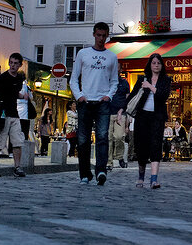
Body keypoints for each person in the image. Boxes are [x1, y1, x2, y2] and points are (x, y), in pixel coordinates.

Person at [69, 21, 119, 186]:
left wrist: (109, 96)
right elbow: (74, 78)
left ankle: (101, 171)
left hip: (102, 102)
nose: (101, 38)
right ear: (94, 34)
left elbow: (114, 81)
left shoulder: (112, 56)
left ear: (107, 36)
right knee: (83, 139)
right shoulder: (83, 54)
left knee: (102, 137)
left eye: (104, 36)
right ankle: (84, 174)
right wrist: (79, 96)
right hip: (85, 101)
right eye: (98, 35)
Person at [129, 53, 171, 189]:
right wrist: (121, 110)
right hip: (142, 116)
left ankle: (154, 179)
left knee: (155, 146)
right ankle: (141, 178)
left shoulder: (165, 80)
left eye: (158, 63)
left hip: (157, 117)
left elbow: (163, 95)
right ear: (150, 64)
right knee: (141, 147)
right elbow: (133, 95)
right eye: (154, 63)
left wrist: (151, 86)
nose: (156, 65)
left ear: (161, 65)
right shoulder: (142, 78)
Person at [0, 52, 26, 177]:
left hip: (14, 114)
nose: (12, 66)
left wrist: (23, 96)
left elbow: (14, 93)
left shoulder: (19, 78)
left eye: (15, 63)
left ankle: (17, 167)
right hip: (1, 114)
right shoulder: (2, 78)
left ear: (20, 65)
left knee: (17, 142)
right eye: (11, 63)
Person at [108, 69, 131, 170]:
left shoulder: (124, 83)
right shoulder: (106, 82)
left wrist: (122, 111)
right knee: (108, 138)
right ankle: (109, 161)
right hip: (108, 113)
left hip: (120, 113)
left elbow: (128, 99)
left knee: (119, 137)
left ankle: (119, 156)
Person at [16, 71, 33, 140]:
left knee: (14, 134)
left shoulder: (14, 85)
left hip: (15, 111)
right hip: (24, 113)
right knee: (24, 133)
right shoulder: (26, 86)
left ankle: (11, 149)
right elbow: (31, 97)